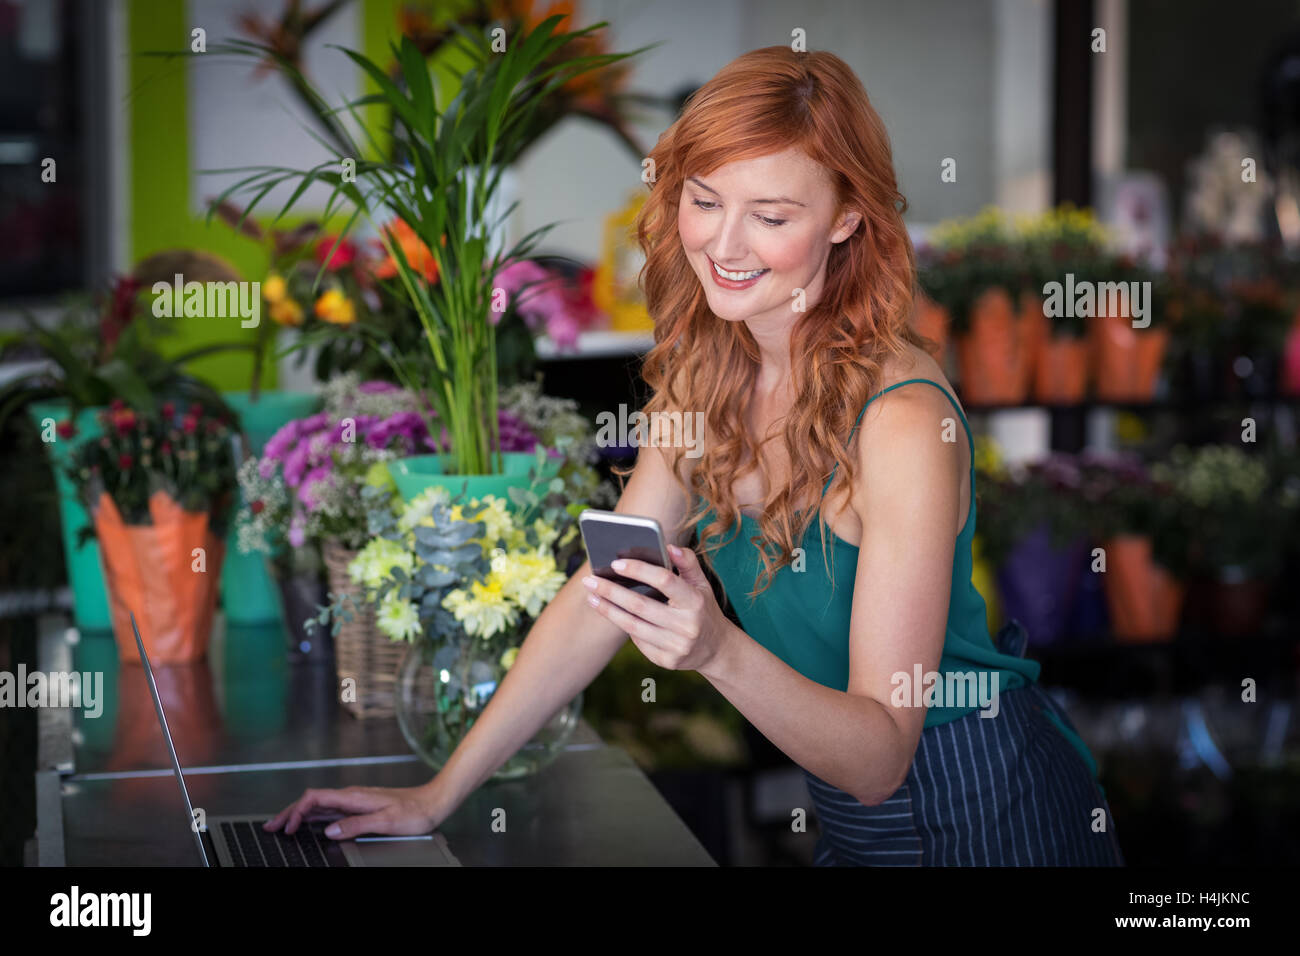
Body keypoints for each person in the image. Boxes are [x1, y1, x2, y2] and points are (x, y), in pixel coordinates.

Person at [266, 45, 1124, 866]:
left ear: (848, 217)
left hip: (984, 804)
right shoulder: (706, 377)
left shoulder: (900, 421)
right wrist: (436, 794)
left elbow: (879, 757)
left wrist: (714, 649)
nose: (724, 244)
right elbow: (605, 592)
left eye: (773, 216)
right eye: (705, 199)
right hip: (854, 820)